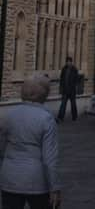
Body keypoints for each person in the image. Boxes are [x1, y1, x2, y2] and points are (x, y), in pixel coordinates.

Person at [0, 76, 61, 209]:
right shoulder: (47, 119)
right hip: (37, 181)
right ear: (44, 94)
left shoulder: (9, 115)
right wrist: (54, 187)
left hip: (9, 179)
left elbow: (1, 149)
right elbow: (49, 158)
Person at [57, 56, 78, 122]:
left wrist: (74, 87)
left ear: (71, 62)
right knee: (63, 104)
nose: (68, 63)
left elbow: (76, 79)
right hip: (65, 90)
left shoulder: (74, 69)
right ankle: (60, 117)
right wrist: (61, 88)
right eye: (67, 62)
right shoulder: (64, 69)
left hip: (72, 90)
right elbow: (62, 79)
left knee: (73, 104)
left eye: (69, 62)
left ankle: (74, 116)